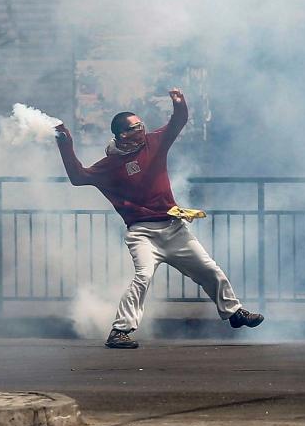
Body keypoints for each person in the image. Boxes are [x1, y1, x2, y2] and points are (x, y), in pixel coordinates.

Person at [54, 88, 264, 349]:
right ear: (122, 135)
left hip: (174, 228)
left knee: (210, 269)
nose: (142, 129)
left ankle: (235, 313)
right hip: (142, 232)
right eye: (136, 127)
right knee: (142, 277)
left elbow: (178, 122)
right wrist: (65, 143)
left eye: (142, 125)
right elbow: (78, 177)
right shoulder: (108, 166)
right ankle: (119, 331)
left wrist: (179, 103)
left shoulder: (154, 143)